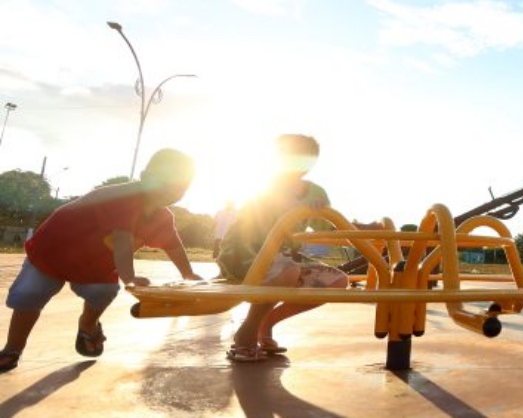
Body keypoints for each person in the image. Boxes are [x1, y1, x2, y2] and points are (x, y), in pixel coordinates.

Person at [0, 148, 202, 373]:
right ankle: (13, 348)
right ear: (145, 177)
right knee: (29, 294)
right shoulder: (125, 196)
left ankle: (88, 326)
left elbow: (173, 245)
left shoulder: (162, 217)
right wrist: (129, 277)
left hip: (93, 265)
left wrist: (188, 273)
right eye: (164, 181)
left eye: (180, 186)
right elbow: (122, 239)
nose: (171, 190)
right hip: (52, 254)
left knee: (103, 291)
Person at [216, 134, 379, 363]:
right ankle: (247, 333)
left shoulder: (315, 193)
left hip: (285, 259)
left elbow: (333, 229)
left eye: (306, 157)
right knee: (287, 271)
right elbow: (262, 211)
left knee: (336, 281)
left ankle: (267, 323)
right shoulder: (266, 184)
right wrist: (297, 206)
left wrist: (365, 228)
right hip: (245, 255)